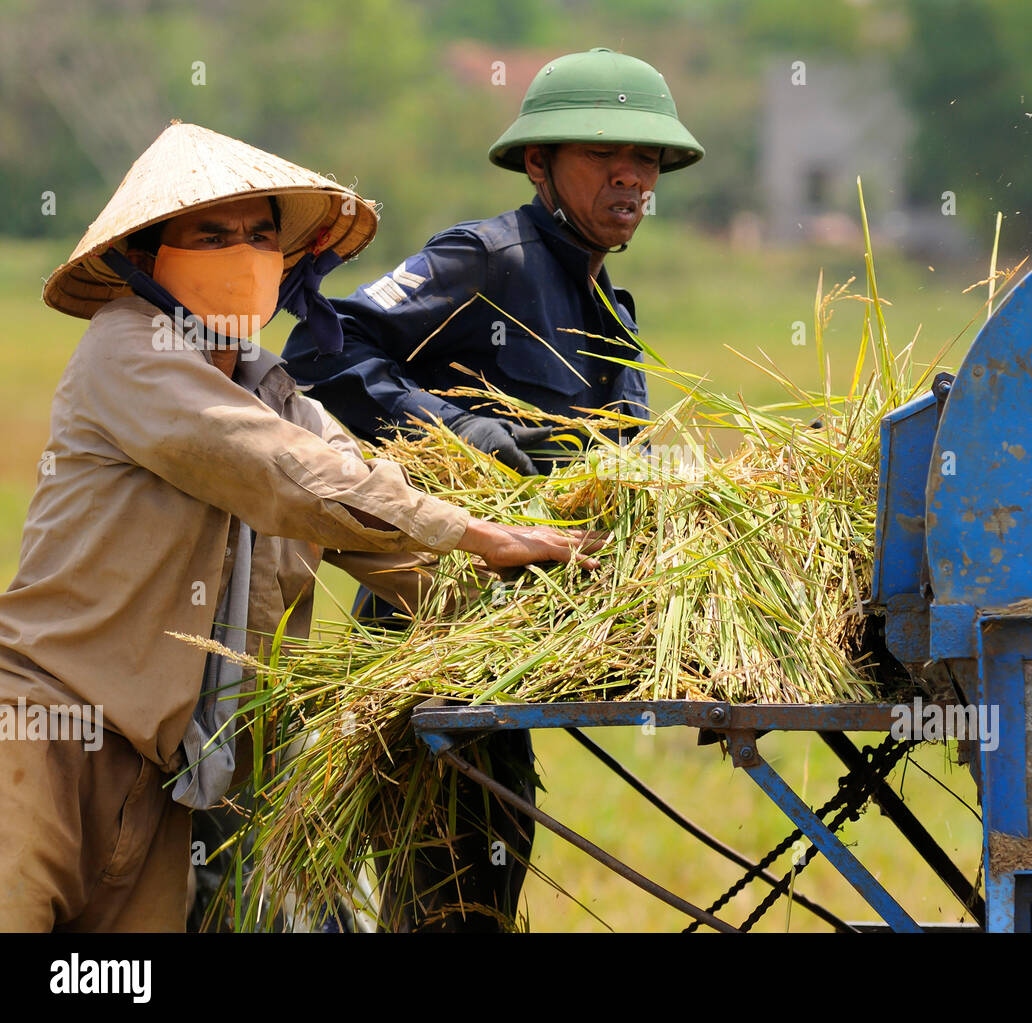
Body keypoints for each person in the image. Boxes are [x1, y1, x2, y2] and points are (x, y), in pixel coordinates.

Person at [0, 121, 602, 933]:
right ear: (145, 259)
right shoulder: (128, 351)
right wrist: (481, 534)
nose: (243, 255)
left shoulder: (278, 399)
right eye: (212, 237)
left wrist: (574, 614)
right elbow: (288, 476)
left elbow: (380, 520)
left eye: (259, 237)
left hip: (166, 781)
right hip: (46, 740)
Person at [280, 47, 703, 930]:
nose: (632, 177)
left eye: (647, 159)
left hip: (510, 653)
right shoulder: (487, 257)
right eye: (604, 156)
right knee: (448, 884)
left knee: (490, 867)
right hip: (431, 629)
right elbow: (325, 349)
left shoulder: (615, 310)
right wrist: (459, 430)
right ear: (539, 164)